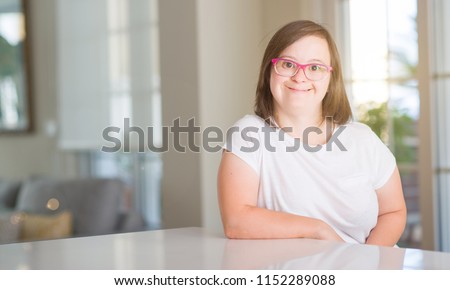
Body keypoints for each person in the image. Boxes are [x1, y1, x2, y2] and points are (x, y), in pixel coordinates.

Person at [217, 20, 407, 246]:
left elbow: (393, 212)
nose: (300, 77)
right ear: (270, 69)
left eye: (315, 67)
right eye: (288, 64)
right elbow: (237, 221)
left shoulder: (363, 139)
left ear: (330, 78)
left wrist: (364, 266)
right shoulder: (249, 133)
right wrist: (318, 230)